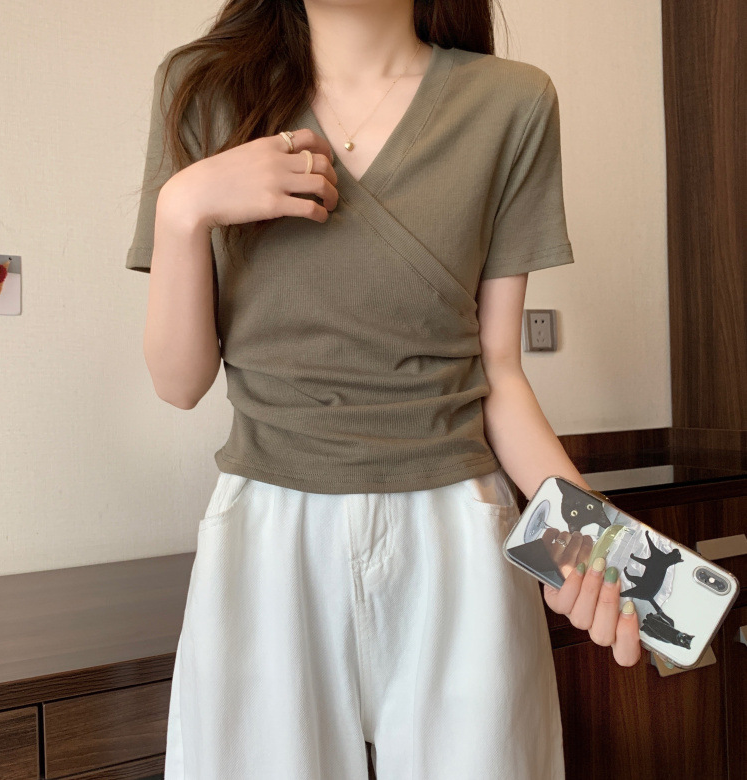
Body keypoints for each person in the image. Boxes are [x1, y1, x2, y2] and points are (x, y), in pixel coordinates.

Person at [125, 1, 642, 777]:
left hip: (457, 527)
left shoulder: (512, 102)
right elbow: (179, 382)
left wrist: (589, 545)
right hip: (270, 528)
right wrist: (182, 209)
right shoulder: (203, 91)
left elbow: (497, 370)